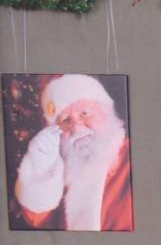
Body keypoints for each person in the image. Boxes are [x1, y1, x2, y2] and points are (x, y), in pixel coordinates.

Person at [14, 74, 133, 231]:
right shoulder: (61, 167)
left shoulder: (135, 156)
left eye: (85, 113)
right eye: (65, 121)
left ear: (107, 112)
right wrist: (40, 169)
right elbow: (36, 219)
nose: (76, 127)